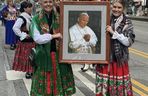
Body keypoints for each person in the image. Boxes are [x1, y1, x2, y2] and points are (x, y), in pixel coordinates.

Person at [30, 0, 76, 95]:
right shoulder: (35, 19)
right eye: (45, 2)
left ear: (54, 3)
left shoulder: (61, 17)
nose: (48, 4)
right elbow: (37, 38)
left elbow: (70, 34)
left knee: (61, 80)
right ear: (41, 3)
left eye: (50, 2)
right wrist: (53, 36)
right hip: (44, 56)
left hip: (59, 56)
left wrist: (71, 54)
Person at [96, 0, 135, 96]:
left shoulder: (127, 22)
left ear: (123, 9)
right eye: (114, 7)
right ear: (111, 7)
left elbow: (128, 42)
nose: (116, 9)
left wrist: (113, 32)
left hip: (119, 60)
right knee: (105, 84)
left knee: (118, 88)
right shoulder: (105, 18)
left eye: (119, 7)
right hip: (105, 58)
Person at [12, 1, 35, 79]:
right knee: (27, 57)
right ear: (25, 8)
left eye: (31, 7)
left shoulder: (30, 16)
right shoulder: (22, 17)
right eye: (29, 7)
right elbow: (15, 28)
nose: (31, 8)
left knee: (32, 56)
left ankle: (31, 70)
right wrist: (23, 35)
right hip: (26, 42)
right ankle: (28, 72)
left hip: (31, 40)